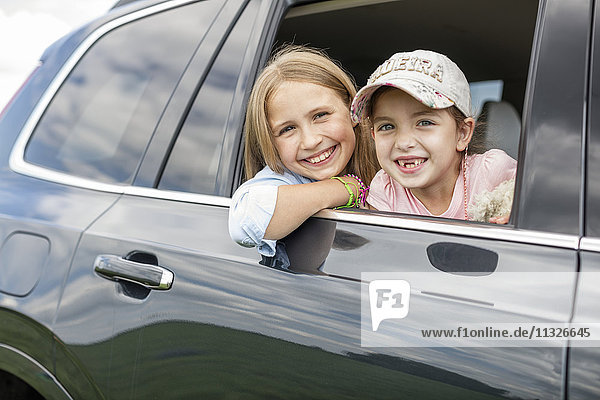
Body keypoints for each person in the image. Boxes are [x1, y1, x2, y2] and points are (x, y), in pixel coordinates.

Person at [229, 45, 378, 267]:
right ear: (271, 142)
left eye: (320, 115)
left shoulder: (383, 157)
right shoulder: (285, 178)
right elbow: (247, 222)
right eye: (287, 129)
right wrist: (348, 188)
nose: (310, 141)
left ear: (352, 109)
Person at [350, 49, 516, 224]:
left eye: (424, 123)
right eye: (387, 126)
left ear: (462, 133)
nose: (404, 142)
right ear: (374, 135)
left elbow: (542, 200)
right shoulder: (386, 189)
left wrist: (516, 214)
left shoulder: (492, 171)